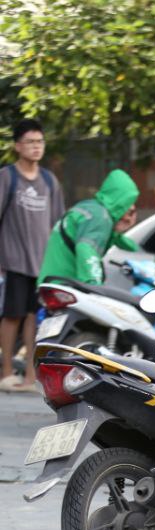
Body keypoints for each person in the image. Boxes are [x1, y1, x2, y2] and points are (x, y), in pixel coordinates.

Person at [0, 119, 64, 393]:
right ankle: (5, 372)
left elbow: (58, 223)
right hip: (13, 261)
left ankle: (28, 375)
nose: (36, 147)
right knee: (12, 315)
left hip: (42, 264)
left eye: (40, 142)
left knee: (33, 318)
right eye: (30, 142)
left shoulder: (50, 180)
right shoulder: (7, 177)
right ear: (18, 146)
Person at [37, 169, 139, 290]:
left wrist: (115, 231)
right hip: (66, 287)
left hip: (53, 282)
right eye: (130, 203)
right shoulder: (101, 217)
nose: (131, 207)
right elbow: (86, 248)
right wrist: (94, 286)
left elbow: (130, 246)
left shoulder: (92, 208)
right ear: (120, 201)